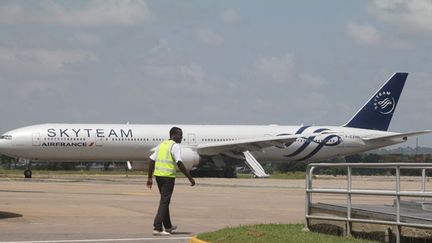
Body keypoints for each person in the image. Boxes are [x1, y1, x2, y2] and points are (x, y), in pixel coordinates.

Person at [147, 127, 196, 236]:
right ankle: (157, 227)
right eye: (180, 135)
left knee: (165, 200)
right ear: (173, 135)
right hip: (167, 177)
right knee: (165, 201)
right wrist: (190, 177)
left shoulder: (162, 145)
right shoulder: (175, 146)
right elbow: (179, 162)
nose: (181, 137)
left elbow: (151, 160)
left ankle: (168, 226)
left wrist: (150, 178)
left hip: (158, 176)